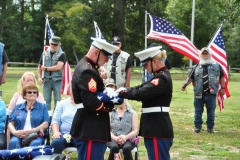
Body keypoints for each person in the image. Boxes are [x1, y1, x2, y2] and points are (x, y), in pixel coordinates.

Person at [111, 46, 174, 160]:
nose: (145, 68)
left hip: (157, 128)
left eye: (146, 65)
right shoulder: (159, 76)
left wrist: (121, 93)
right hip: (154, 127)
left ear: (154, 61)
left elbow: (140, 93)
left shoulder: (161, 79)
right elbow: (140, 87)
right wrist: (124, 90)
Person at [70, 37, 119, 160]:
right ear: (96, 52)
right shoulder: (88, 71)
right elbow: (91, 103)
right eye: (106, 56)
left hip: (90, 126)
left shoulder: (86, 67)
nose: (107, 60)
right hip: (90, 128)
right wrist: (111, 104)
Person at [181, 47, 225, 133]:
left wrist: (223, 88)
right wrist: (184, 85)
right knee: (198, 111)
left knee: (211, 112)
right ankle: (198, 127)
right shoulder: (195, 67)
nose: (205, 55)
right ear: (200, 55)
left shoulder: (217, 66)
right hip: (198, 93)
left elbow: (222, 77)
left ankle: (210, 127)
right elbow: (190, 78)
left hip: (211, 93)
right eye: (203, 54)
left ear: (209, 54)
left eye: (206, 53)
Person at [104, 78, 138, 160]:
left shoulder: (133, 113)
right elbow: (107, 130)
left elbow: (135, 130)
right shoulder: (111, 113)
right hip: (113, 139)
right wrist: (115, 138)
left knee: (126, 148)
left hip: (128, 139)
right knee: (115, 147)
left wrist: (125, 138)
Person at [8, 83, 50, 149]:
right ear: (24, 96)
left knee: (35, 143)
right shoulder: (18, 107)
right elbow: (10, 123)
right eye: (29, 92)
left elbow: (45, 124)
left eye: (35, 92)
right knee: (14, 142)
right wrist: (15, 132)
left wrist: (32, 131)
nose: (32, 93)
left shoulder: (42, 107)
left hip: (36, 135)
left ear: (37, 95)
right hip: (19, 135)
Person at [37, 36, 66, 110]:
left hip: (57, 80)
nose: (53, 46)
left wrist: (46, 69)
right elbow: (39, 66)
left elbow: (59, 67)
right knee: (46, 101)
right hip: (46, 80)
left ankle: (56, 119)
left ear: (59, 45)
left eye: (55, 44)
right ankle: (47, 119)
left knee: (57, 101)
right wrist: (39, 77)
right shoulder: (44, 53)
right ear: (50, 43)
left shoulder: (62, 54)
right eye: (52, 44)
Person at [50, 84, 77, 153]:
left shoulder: (85, 104)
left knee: (85, 144)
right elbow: (55, 121)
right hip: (64, 134)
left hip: (80, 136)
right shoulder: (62, 104)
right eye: (73, 87)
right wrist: (56, 132)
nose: (75, 89)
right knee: (56, 142)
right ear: (69, 90)